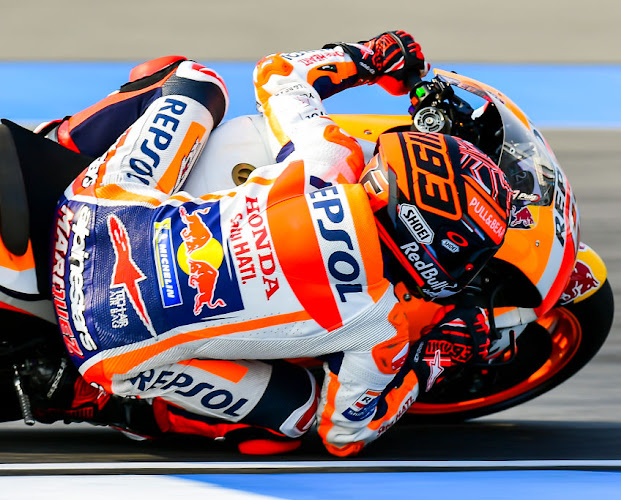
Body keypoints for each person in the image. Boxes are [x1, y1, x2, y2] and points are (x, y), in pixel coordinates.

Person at [14, 31, 513, 456]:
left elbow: (278, 73)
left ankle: (57, 143)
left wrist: (371, 57)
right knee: (298, 418)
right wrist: (433, 363)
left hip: (91, 212)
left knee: (192, 80)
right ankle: (95, 399)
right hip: (104, 340)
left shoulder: (325, 158)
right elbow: (344, 432)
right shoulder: (381, 326)